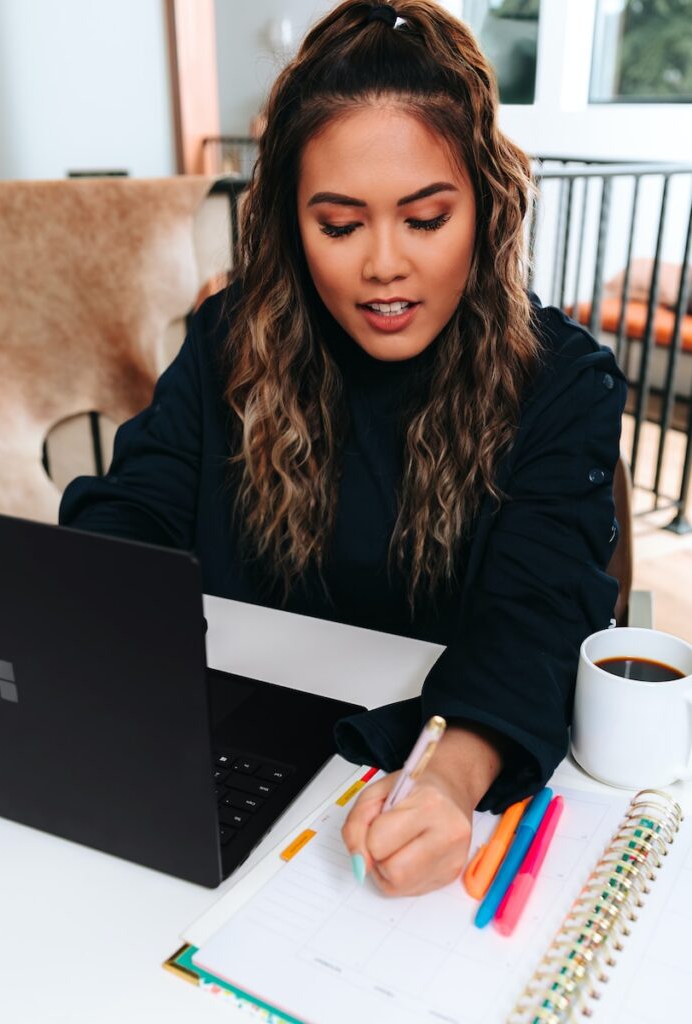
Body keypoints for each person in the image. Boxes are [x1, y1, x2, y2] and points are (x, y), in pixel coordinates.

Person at [59, 0, 626, 897]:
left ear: (484, 209)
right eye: (339, 224)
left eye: (425, 219)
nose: (383, 265)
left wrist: (444, 782)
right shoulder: (229, 337)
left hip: (409, 770)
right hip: (216, 745)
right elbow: (140, 502)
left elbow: (539, 615)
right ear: (291, 222)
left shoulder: (560, 382)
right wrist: (100, 629)